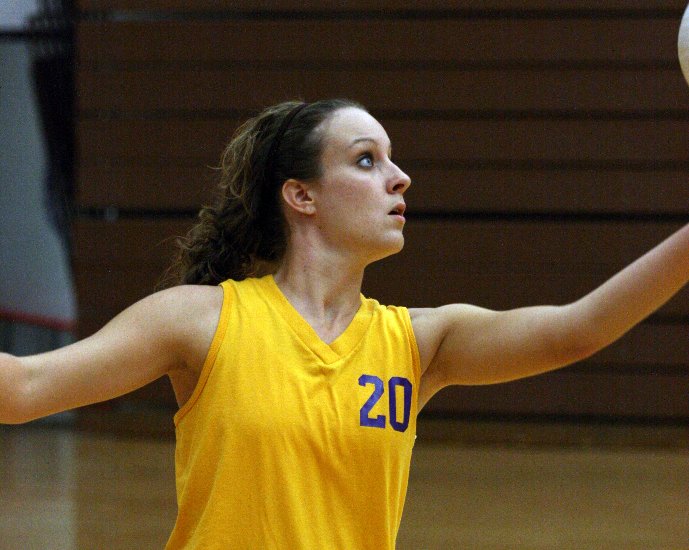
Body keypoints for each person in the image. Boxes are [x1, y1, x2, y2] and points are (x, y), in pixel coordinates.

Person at [1, 98, 689, 548]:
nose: (400, 177)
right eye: (366, 160)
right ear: (301, 195)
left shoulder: (420, 342)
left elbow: (578, 330)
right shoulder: (201, 319)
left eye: (391, 159)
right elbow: (22, 388)